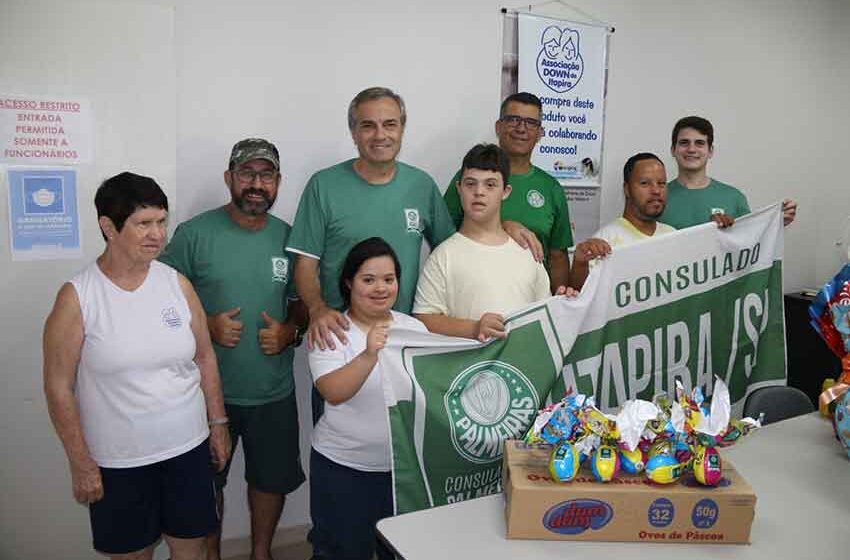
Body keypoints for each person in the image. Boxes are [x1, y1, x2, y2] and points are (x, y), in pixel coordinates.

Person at [43, 172, 230, 560]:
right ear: (108, 227)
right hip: (119, 462)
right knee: (131, 554)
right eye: (143, 224)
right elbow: (58, 387)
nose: (157, 234)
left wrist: (218, 425)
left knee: (190, 549)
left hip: (187, 448)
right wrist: (81, 463)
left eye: (162, 221)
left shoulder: (176, 284)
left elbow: (205, 357)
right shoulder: (78, 297)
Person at [287, 86, 543, 352]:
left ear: (401, 130)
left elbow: (462, 241)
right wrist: (318, 310)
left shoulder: (421, 186)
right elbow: (305, 264)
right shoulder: (323, 186)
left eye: (389, 124)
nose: (380, 135)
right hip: (340, 337)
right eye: (368, 126)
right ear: (354, 133)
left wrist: (505, 227)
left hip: (404, 342)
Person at [159, 139, 305, 560]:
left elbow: (302, 302)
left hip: (273, 391)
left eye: (266, 175)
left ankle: (261, 553)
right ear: (229, 178)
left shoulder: (290, 238)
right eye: (246, 175)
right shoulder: (194, 235)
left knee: (270, 480)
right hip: (207, 395)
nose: (256, 184)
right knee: (207, 486)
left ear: (278, 182)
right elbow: (157, 304)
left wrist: (290, 331)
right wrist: (205, 324)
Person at [308, 237, 427, 560]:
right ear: (349, 283)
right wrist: (368, 354)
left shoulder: (413, 329)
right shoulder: (331, 330)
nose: (380, 288)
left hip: (403, 471)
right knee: (342, 552)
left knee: (398, 550)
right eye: (368, 279)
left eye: (389, 280)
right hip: (343, 469)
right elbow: (333, 392)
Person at [414, 143, 560, 341]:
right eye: (470, 184)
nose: (479, 192)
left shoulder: (527, 250)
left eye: (490, 184)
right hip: (467, 369)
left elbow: (546, 317)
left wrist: (567, 303)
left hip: (520, 368)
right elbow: (423, 319)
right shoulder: (444, 255)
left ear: (506, 191)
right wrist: (474, 328)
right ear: (459, 188)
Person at [444, 92, 574, 292]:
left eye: (531, 122)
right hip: (473, 290)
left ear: (540, 133)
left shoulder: (551, 187)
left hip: (532, 299)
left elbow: (558, 255)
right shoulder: (470, 178)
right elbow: (444, 235)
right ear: (499, 127)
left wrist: (562, 302)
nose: (521, 128)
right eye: (514, 120)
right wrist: (502, 227)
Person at [662, 115, 797, 229]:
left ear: (710, 151)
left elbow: (752, 237)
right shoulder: (657, 198)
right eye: (684, 143)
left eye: (700, 143)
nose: (691, 149)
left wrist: (775, 223)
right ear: (673, 150)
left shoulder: (734, 198)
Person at [570, 153, 676, 289]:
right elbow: (581, 297)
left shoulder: (673, 235)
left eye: (661, 183)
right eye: (645, 183)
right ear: (627, 189)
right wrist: (579, 264)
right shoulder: (604, 242)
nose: (656, 190)